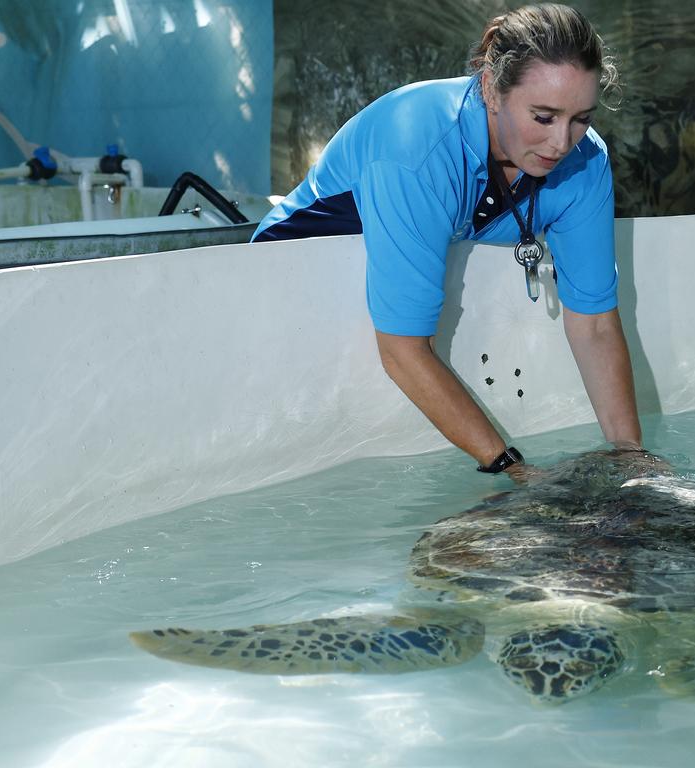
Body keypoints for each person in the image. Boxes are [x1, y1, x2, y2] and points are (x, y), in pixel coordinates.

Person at [253, 3, 642, 476]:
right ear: (491, 89)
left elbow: (596, 325)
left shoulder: (586, 161)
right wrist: (514, 472)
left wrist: (633, 463)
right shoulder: (415, 145)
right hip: (286, 282)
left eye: (581, 118)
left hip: (394, 308)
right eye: (543, 117)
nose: (562, 143)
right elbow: (402, 350)